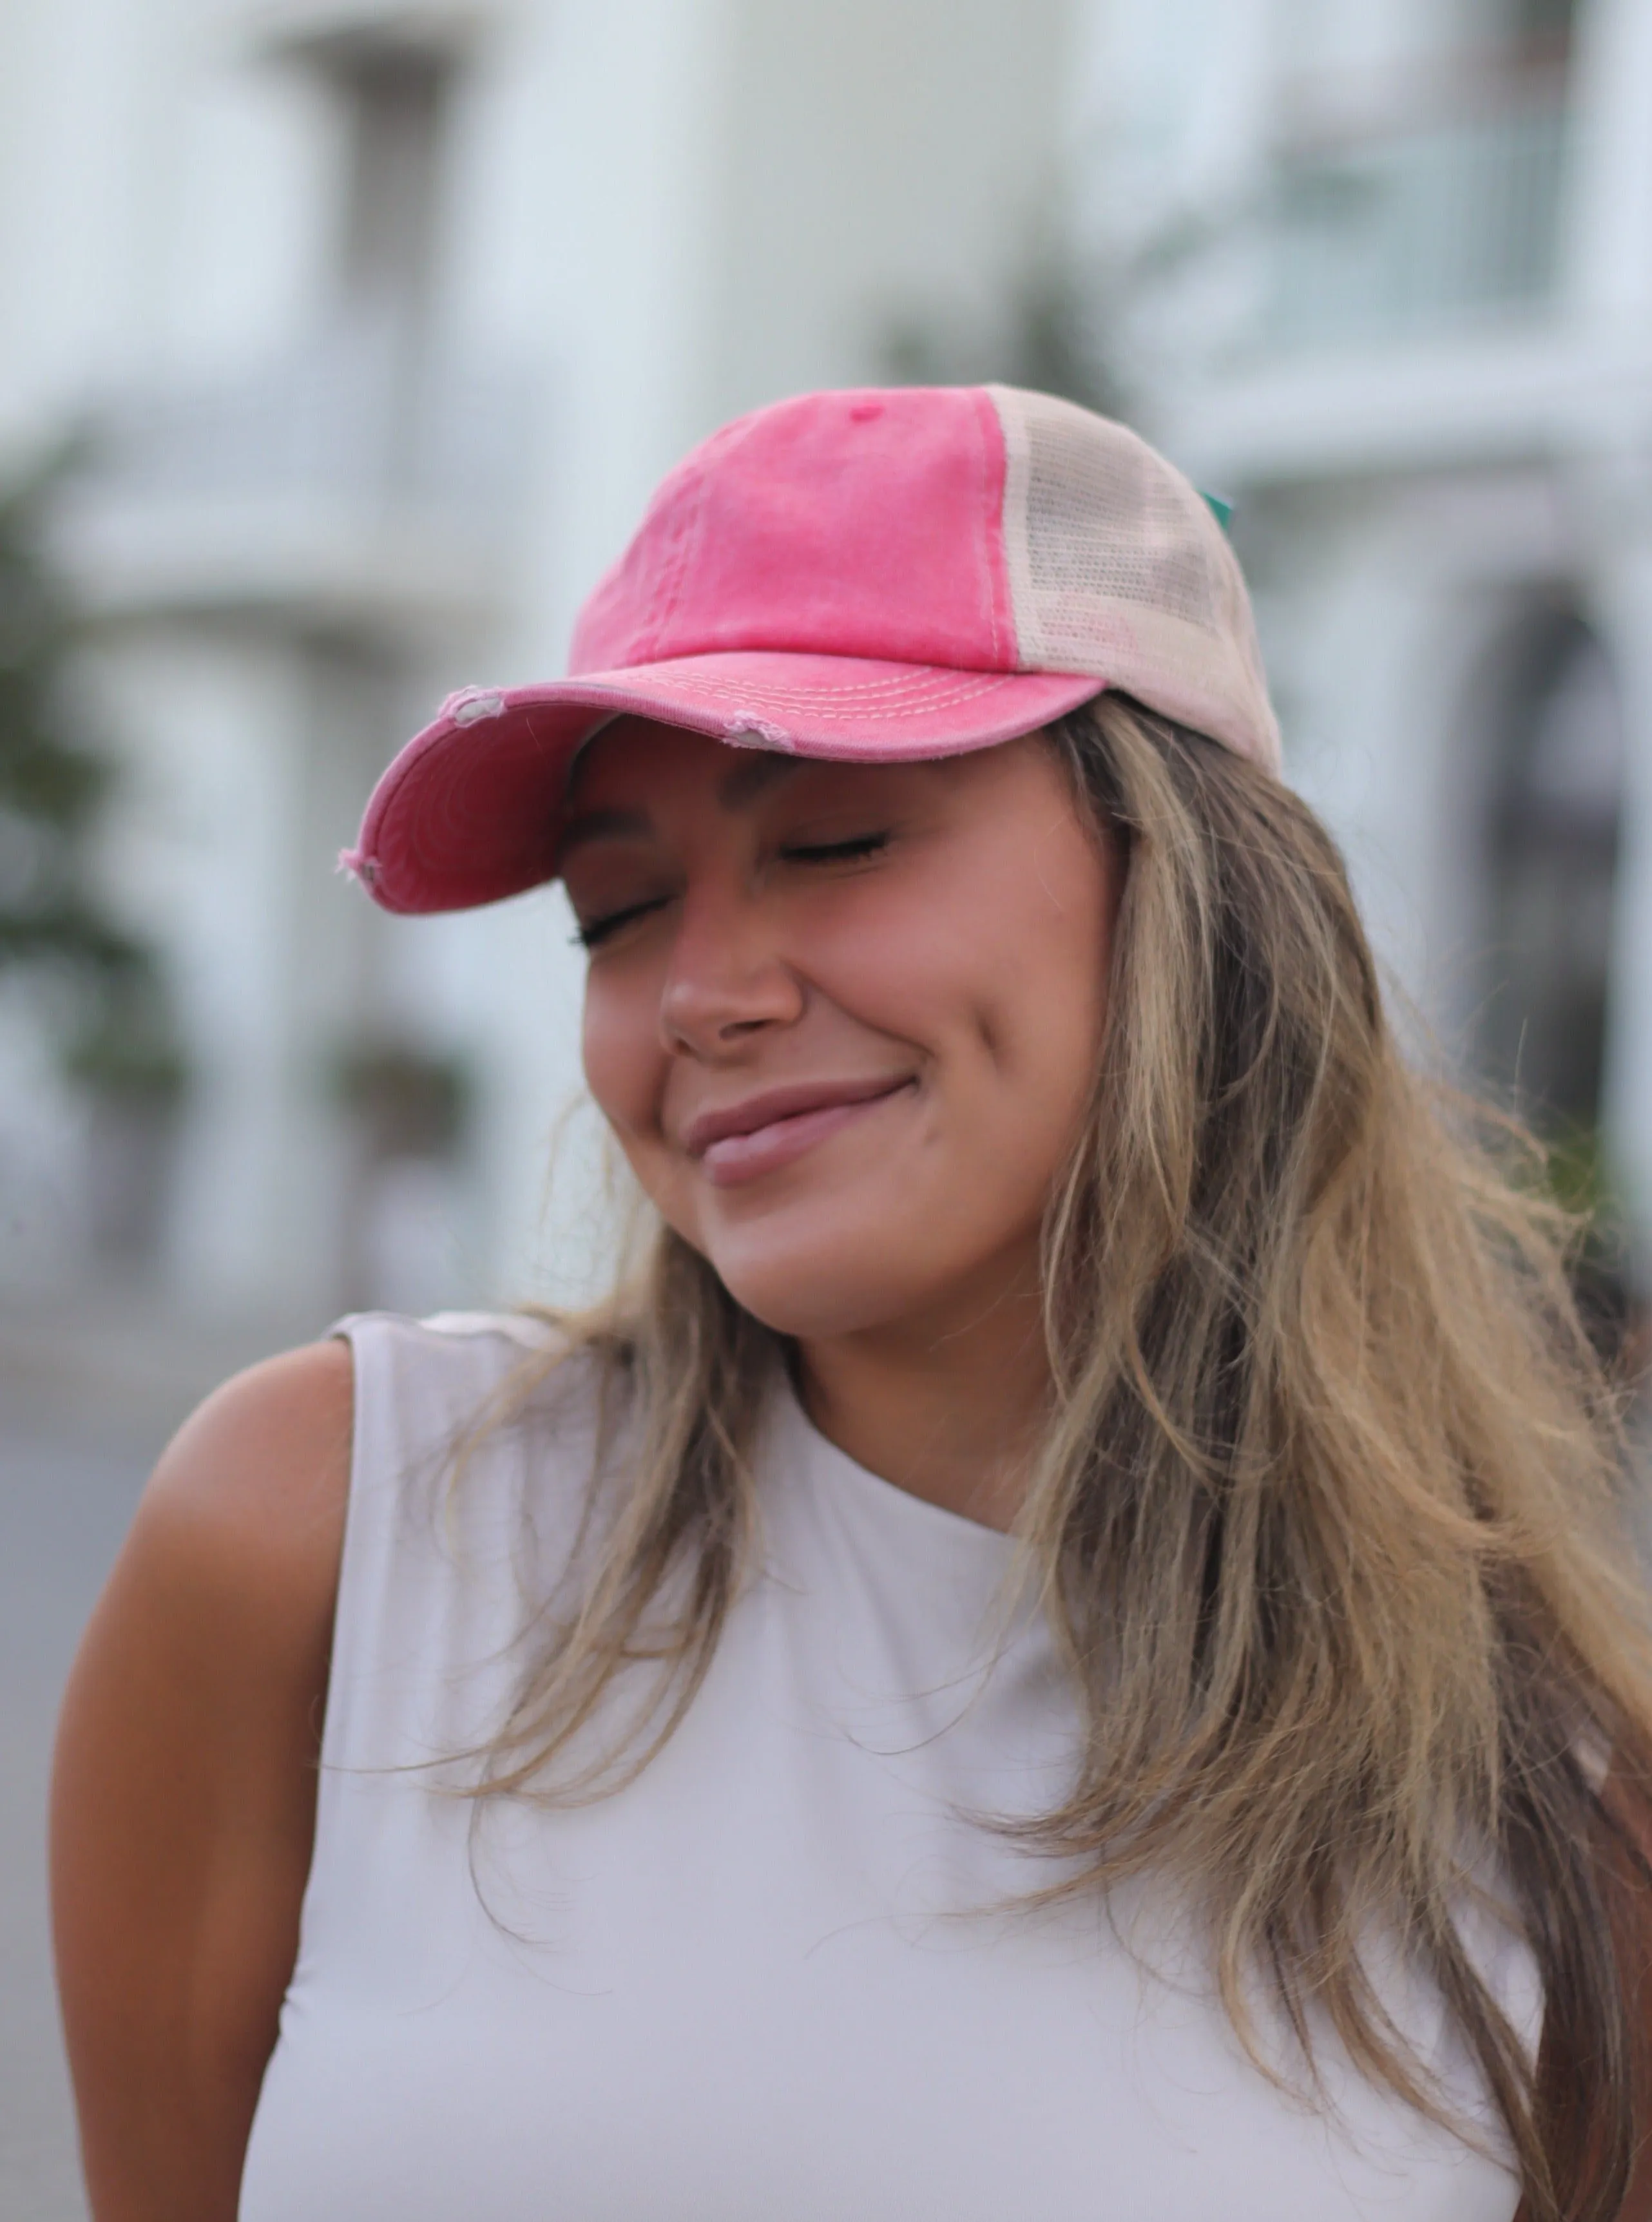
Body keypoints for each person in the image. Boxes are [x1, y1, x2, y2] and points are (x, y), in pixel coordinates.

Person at [50, 384, 1652, 2222]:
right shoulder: (330, 1534)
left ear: (1192, 897)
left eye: (831, 841)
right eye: (615, 913)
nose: (700, 993)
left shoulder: (1557, 1825)